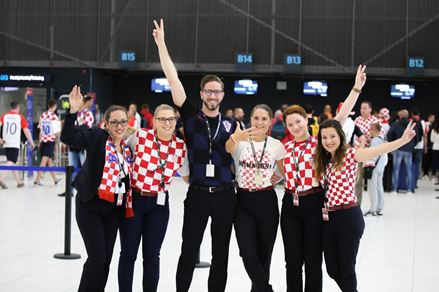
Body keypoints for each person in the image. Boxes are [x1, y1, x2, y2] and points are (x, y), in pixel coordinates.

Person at [153, 19, 237, 292]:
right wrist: (162, 45)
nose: (212, 95)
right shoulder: (191, 116)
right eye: (208, 91)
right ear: (201, 93)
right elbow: (173, 78)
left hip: (225, 194)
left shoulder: (232, 126)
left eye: (217, 91)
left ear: (222, 96)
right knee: (188, 249)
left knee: (221, 255)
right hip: (199, 194)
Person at [279, 64, 367, 292]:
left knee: (312, 260)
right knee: (292, 262)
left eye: (298, 121)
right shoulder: (283, 147)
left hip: (314, 203)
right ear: (286, 126)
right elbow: (275, 171)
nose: (295, 126)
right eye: (290, 124)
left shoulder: (318, 142)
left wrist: (356, 89)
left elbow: (342, 115)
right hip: (290, 204)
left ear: (306, 121)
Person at [315, 118, 416, 292]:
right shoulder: (322, 160)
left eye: (332, 136)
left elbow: (376, 151)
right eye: (324, 137)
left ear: (340, 136)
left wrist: (402, 140)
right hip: (329, 219)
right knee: (332, 269)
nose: (329, 141)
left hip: (348, 217)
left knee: (346, 270)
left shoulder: (350, 154)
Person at [61, 85, 133, 292]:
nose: (119, 126)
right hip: (90, 205)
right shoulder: (96, 137)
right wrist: (73, 112)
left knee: (106, 260)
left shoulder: (127, 149)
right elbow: (68, 138)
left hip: (112, 208)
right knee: (97, 257)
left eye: (123, 122)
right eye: (114, 122)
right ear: (106, 124)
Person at [118, 104, 188, 292]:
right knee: (128, 254)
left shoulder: (180, 147)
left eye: (171, 119)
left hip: (159, 205)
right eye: (162, 119)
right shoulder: (141, 136)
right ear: (154, 121)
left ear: (176, 121)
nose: (167, 123)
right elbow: (124, 154)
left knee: (152, 256)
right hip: (135, 201)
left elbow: (187, 175)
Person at [225, 104, 285, 292]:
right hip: (243, 202)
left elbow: (285, 171)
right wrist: (236, 136)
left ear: (270, 122)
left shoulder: (276, 145)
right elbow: (228, 148)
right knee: (248, 253)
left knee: (264, 255)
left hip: (267, 200)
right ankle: (266, 289)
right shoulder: (241, 141)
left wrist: (279, 176)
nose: (259, 122)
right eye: (256, 118)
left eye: (263, 119)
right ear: (250, 119)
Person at [0, 100, 35, 189]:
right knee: (11, 161)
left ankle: (19, 182)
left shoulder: (4, 116)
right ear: (18, 107)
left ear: (10, 107)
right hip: (14, 143)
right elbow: (26, 131)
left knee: (11, 162)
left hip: (6, 142)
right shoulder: (20, 117)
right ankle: (1, 179)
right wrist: (32, 142)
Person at [387, 110, 420, 193]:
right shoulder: (412, 125)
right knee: (409, 169)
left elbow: (389, 134)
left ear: (400, 116)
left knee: (396, 169)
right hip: (409, 149)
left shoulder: (396, 124)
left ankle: (394, 188)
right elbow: (416, 137)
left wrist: (393, 145)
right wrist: (412, 145)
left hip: (398, 149)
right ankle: (409, 189)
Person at [34, 99, 62, 186]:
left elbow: (40, 130)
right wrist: (58, 140)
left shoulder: (43, 115)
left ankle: (55, 179)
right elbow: (57, 132)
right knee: (44, 161)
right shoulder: (54, 117)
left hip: (43, 140)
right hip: (50, 141)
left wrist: (39, 141)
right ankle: (37, 180)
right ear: (54, 106)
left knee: (49, 161)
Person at [364, 123, 388, 216]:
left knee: (372, 188)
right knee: (379, 187)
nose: (369, 131)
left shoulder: (374, 141)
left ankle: (373, 209)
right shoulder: (383, 140)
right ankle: (380, 208)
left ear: (374, 130)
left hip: (374, 167)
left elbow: (373, 155)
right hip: (381, 167)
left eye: (371, 129)